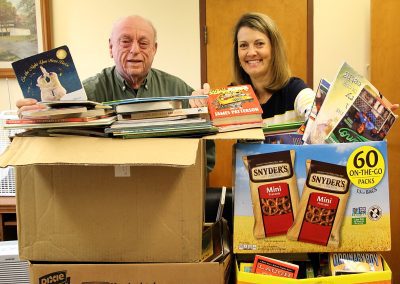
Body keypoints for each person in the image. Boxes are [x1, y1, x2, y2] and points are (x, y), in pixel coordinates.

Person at [16, 15, 214, 170]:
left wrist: (209, 108)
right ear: (111, 48)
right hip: (105, 193)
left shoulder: (179, 90)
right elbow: (54, 145)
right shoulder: (86, 94)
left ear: (154, 49)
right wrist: (35, 117)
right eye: (125, 42)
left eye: (143, 43)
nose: (135, 50)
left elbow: (207, 155)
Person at [191, 12, 315, 124]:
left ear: (274, 49)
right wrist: (201, 107)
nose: (251, 53)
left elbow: (318, 115)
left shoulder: (294, 90)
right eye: (244, 45)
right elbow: (206, 127)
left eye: (259, 44)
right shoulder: (232, 96)